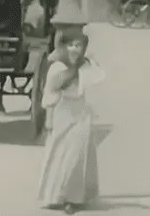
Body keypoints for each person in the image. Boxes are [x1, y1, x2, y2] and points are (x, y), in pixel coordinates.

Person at [39, 31, 105, 214]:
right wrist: (49, 119)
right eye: (71, 45)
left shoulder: (85, 67)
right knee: (59, 154)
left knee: (77, 156)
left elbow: (97, 77)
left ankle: (74, 198)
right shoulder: (57, 68)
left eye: (79, 45)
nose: (75, 49)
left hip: (81, 114)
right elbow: (50, 95)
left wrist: (88, 64)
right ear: (64, 47)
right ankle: (56, 195)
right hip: (62, 112)